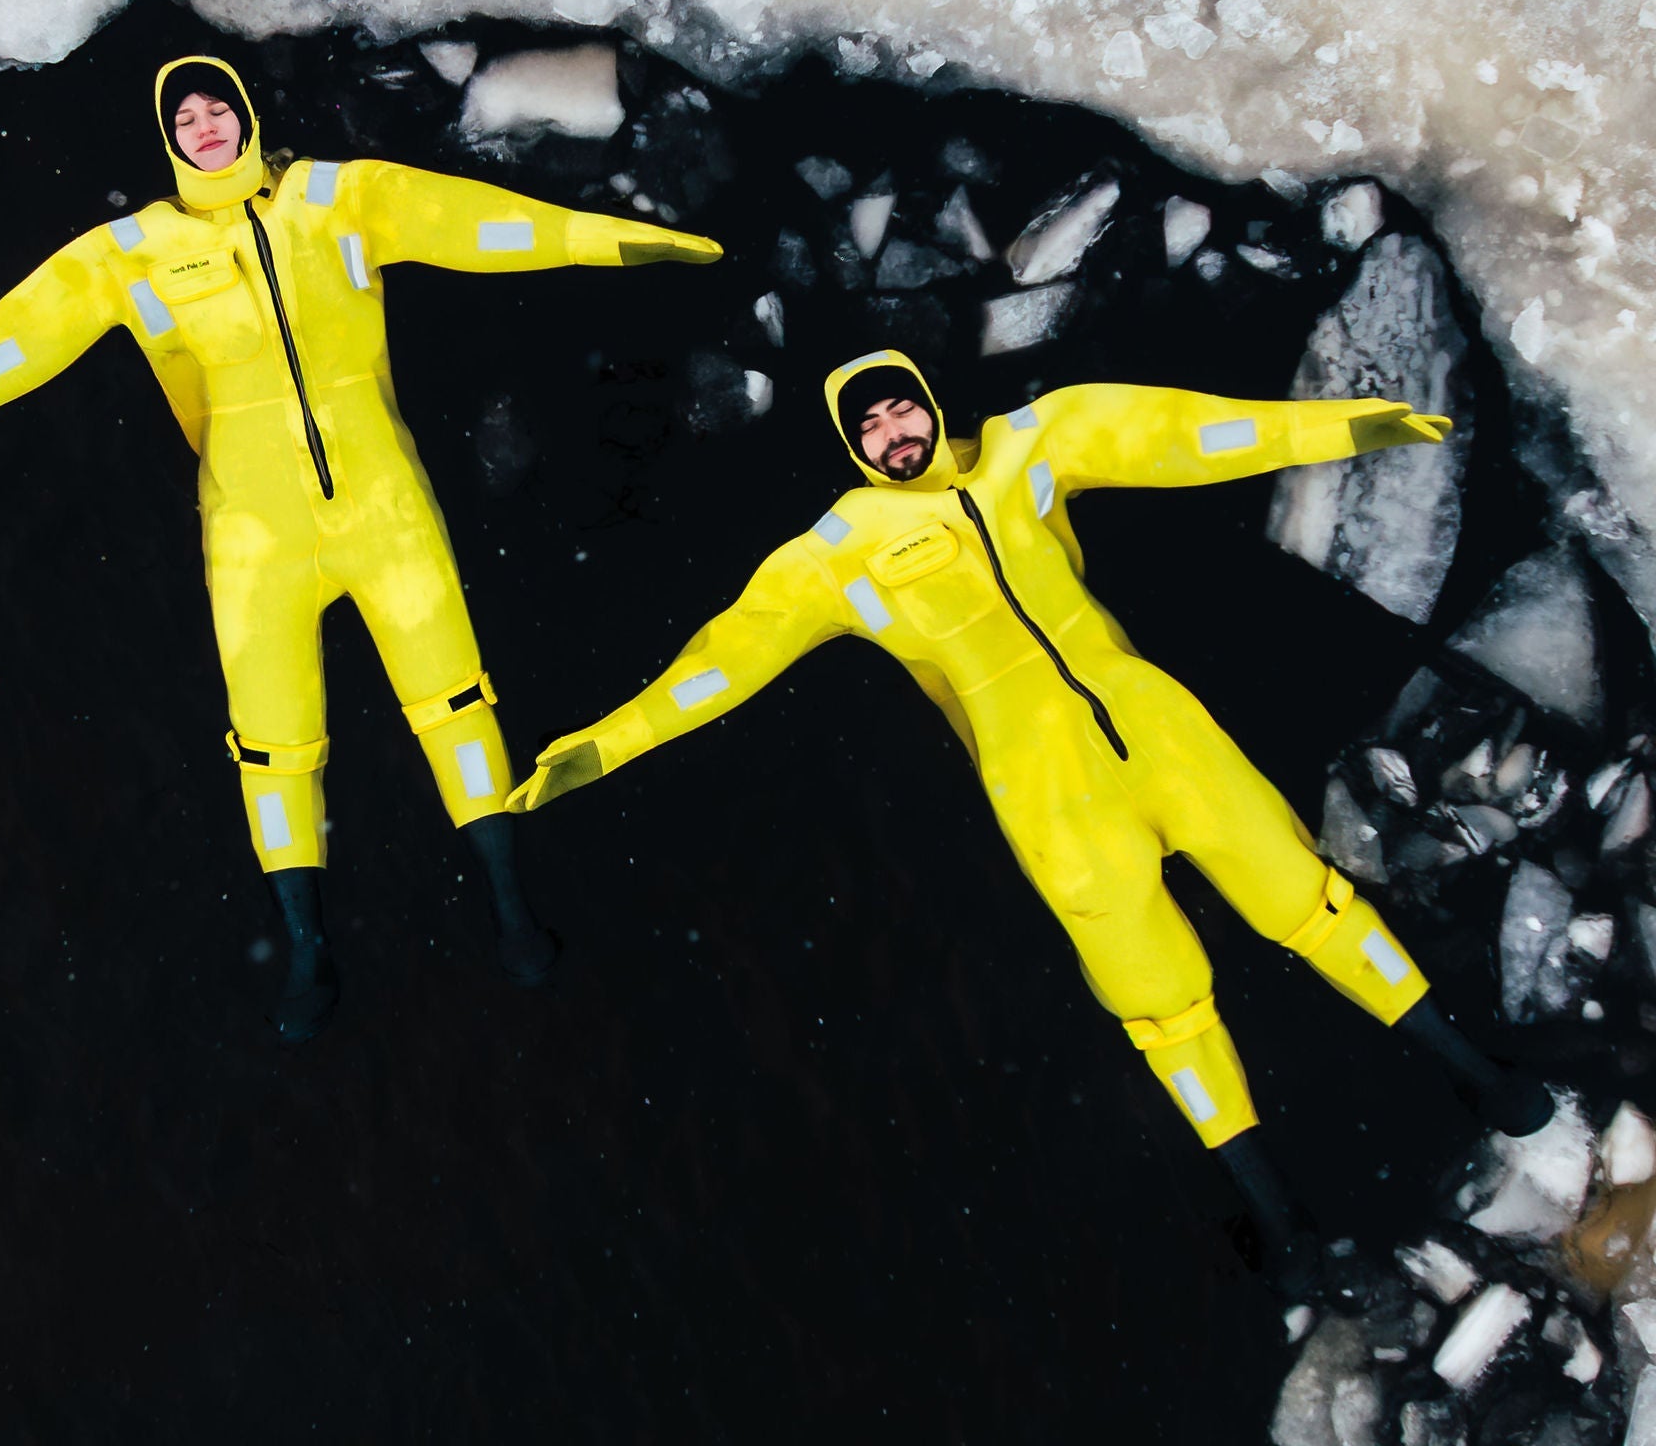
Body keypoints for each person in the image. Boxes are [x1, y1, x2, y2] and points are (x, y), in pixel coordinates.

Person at [507, 348, 1551, 1294]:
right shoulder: (836, 554)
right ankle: (1279, 1213)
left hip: (1157, 729)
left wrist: (1345, 426)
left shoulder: (1029, 447)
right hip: (1048, 796)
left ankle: (1474, 1073)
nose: (891, 431)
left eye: (899, 406)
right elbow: (718, 665)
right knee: (1160, 1000)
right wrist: (602, 745)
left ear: (926, 398)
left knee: (1307, 899)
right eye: (866, 425)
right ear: (847, 443)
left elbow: (1189, 433)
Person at [0, 53, 722, 1043]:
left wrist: (619, 240)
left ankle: (509, 899)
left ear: (247, 117)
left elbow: (485, 227)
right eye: (185, 116)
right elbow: (14, 345)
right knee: (273, 742)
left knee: (454, 697)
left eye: (218, 106)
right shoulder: (132, 250)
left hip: (382, 507)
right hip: (254, 536)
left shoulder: (341, 196)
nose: (205, 124)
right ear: (170, 140)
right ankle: (304, 941)